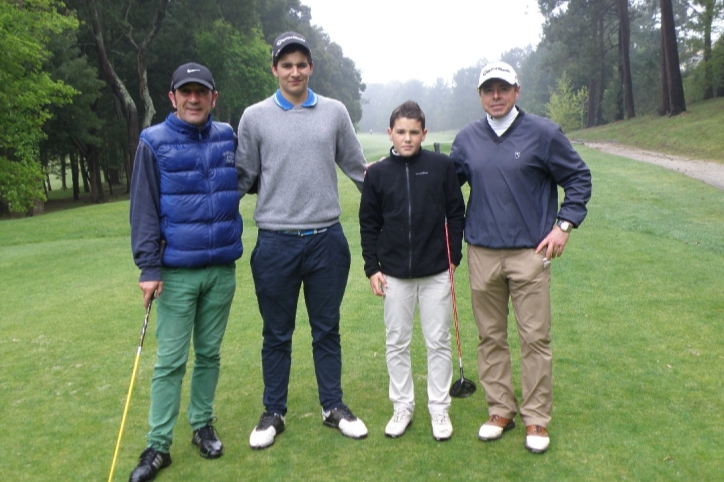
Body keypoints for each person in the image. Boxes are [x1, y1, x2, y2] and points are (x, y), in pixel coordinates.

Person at [450, 61, 592, 454]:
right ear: (480, 95)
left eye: (502, 88)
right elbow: (446, 186)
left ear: (516, 90)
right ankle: (500, 410)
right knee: (490, 336)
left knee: (534, 337)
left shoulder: (544, 133)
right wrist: (398, 166)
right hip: (481, 251)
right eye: (488, 89)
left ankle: (535, 418)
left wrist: (564, 225)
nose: (495, 96)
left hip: (530, 252)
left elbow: (578, 178)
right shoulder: (467, 139)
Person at [236, 31, 368, 449]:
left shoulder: (334, 112)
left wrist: (404, 201)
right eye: (286, 64)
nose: (295, 71)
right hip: (275, 243)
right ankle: (274, 411)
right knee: (276, 333)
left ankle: (333, 406)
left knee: (326, 329)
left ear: (311, 67)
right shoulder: (254, 117)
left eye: (301, 64)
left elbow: (360, 170)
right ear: (275, 69)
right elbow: (241, 179)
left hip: (326, 240)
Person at [128, 62, 242, 481]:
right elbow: (142, 209)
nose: (194, 99)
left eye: (202, 92)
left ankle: (201, 425)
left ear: (213, 97)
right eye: (185, 92)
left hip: (221, 269)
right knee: (170, 362)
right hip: (175, 273)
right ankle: (158, 446)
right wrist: (148, 266)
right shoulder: (152, 142)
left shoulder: (229, 136)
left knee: (209, 354)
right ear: (172, 98)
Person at [359, 101, 465, 440]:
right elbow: (369, 223)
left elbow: (456, 213)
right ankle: (402, 405)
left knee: (438, 341)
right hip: (393, 274)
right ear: (390, 132)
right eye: (401, 132)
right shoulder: (377, 173)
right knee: (397, 342)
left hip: (435, 271)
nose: (407, 139)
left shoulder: (441, 166)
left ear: (424, 133)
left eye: (414, 132)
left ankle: (439, 408)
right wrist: (371, 267)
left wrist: (454, 257)